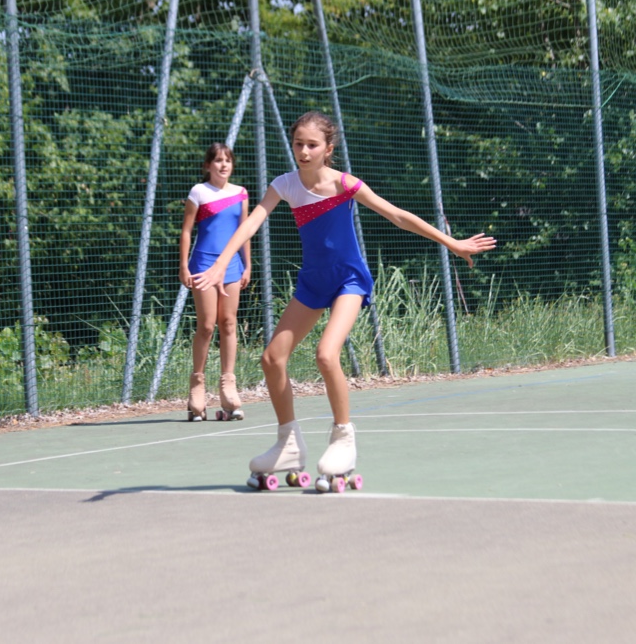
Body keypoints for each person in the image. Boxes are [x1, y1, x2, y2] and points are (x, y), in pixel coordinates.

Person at [193, 112, 496, 492]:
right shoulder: (284, 185)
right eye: (298, 143)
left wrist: (452, 243)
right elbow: (250, 223)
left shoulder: (344, 183)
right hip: (313, 281)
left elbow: (397, 216)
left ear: (328, 149)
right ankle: (288, 444)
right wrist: (221, 264)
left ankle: (343, 439)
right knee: (271, 359)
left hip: (349, 279)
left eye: (312, 145)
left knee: (326, 354)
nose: (304, 151)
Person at [179, 143, 252, 421]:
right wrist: (184, 265)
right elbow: (187, 231)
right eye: (218, 160)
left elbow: (244, 231)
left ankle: (228, 390)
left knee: (229, 323)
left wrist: (247, 265)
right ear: (207, 165)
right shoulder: (198, 192)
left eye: (227, 160)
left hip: (232, 266)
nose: (223, 165)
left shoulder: (241, 193)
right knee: (207, 326)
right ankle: (197, 389)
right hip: (203, 266)